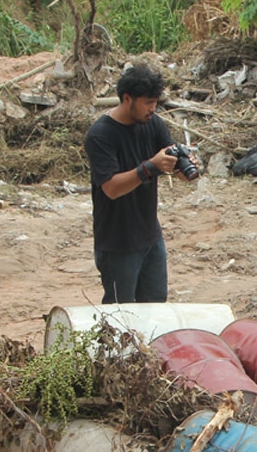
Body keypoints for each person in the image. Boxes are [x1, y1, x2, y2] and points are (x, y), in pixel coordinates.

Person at [84, 65, 198, 304]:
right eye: (147, 102)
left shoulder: (153, 124)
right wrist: (151, 166)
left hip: (150, 237)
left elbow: (173, 165)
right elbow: (111, 189)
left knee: (156, 306)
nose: (152, 109)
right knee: (121, 315)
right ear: (127, 99)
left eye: (155, 102)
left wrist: (186, 167)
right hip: (118, 243)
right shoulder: (100, 135)